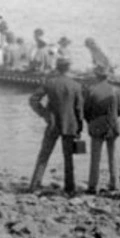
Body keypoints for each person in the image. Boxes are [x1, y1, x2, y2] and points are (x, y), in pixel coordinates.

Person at [28, 57, 84, 195]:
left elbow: (33, 99)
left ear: (57, 67)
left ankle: (35, 184)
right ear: (69, 68)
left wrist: (44, 114)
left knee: (44, 155)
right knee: (68, 157)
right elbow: (79, 109)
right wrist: (79, 127)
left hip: (52, 123)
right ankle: (70, 188)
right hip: (70, 125)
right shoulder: (76, 85)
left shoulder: (50, 83)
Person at [83, 64, 120, 193]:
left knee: (95, 157)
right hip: (112, 125)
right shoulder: (117, 90)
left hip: (96, 125)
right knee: (113, 156)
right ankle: (114, 184)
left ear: (96, 75)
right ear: (108, 75)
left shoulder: (91, 90)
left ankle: (93, 186)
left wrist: (92, 122)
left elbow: (86, 111)